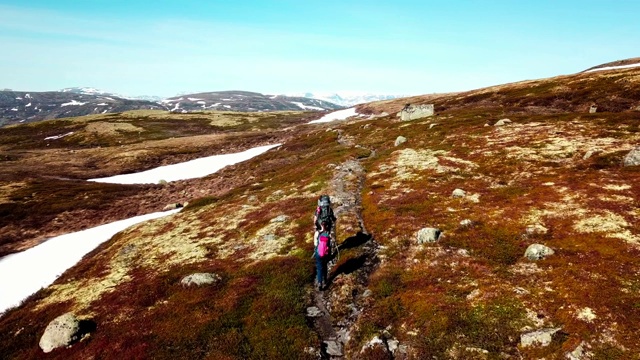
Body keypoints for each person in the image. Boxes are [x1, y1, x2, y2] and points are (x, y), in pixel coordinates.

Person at [314, 221, 331, 290]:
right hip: (325, 254)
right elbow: (329, 245)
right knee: (325, 266)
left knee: (319, 267)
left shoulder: (317, 233)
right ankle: (325, 280)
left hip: (318, 253)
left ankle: (320, 282)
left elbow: (315, 244)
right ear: (326, 226)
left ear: (320, 225)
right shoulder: (328, 233)